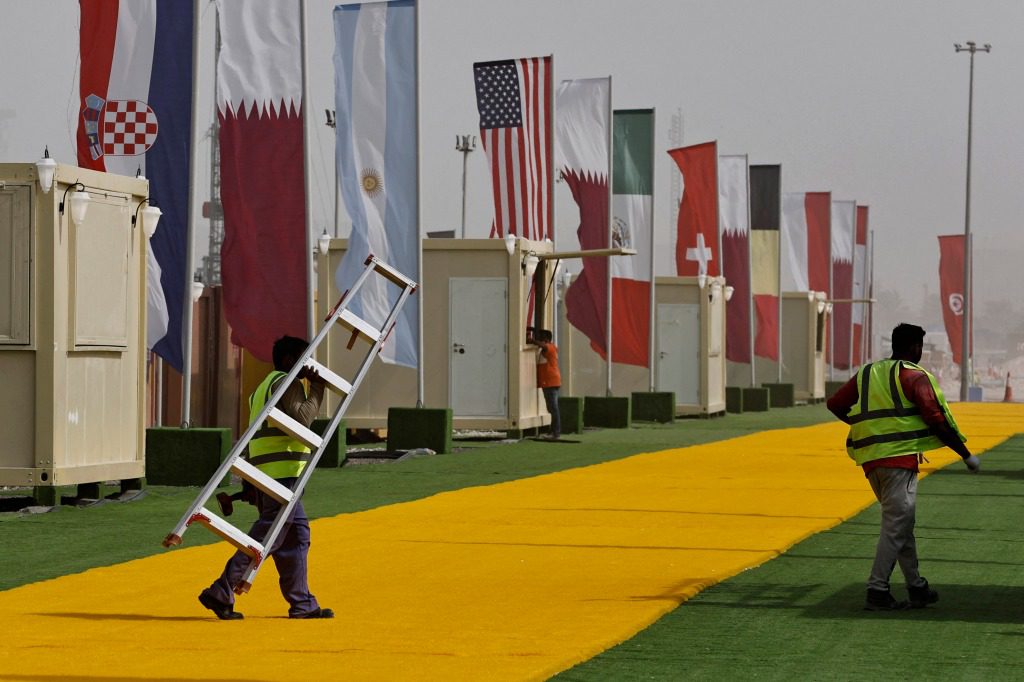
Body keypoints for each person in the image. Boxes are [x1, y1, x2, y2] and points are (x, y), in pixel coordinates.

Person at [827, 323, 980, 611]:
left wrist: (863, 426)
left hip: (871, 460)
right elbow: (935, 418)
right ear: (914, 348)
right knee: (897, 525)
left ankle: (916, 587)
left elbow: (835, 404)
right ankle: (877, 590)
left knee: (901, 524)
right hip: (899, 460)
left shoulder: (867, 374)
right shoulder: (914, 376)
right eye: (919, 346)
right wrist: (965, 454)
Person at [198, 335, 334, 620]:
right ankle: (222, 590)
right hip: (280, 478)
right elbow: (304, 419)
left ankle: (303, 604)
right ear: (288, 361)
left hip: (269, 475)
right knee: (268, 537)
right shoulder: (287, 382)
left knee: (296, 536)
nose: (309, 365)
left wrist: (250, 483)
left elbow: (254, 436)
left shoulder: (261, 388)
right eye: (304, 358)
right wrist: (318, 386)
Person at [528, 328, 561, 440]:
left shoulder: (550, 347)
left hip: (550, 381)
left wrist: (532, 341)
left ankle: (555, 432)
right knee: (551, 408)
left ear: (546, 339)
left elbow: (544, 346)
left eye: (541, 337)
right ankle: (553, 431)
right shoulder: (551, 348)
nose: (539, 340)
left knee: (553, 408)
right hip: (550, 382)